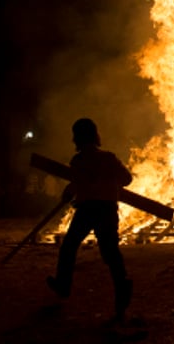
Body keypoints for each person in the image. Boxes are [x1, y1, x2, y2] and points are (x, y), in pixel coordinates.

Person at [47, 118, 134, 319]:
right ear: (95, 136)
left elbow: (75, 183)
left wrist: (71, 191)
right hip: (106, 209)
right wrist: (108, 183)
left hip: (87, 209)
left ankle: (63, 285)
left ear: (77, 138)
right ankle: (122, 287)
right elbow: (127, 179)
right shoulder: (109, 158)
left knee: (69, 247)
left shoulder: (78, 161)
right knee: (110, 252)